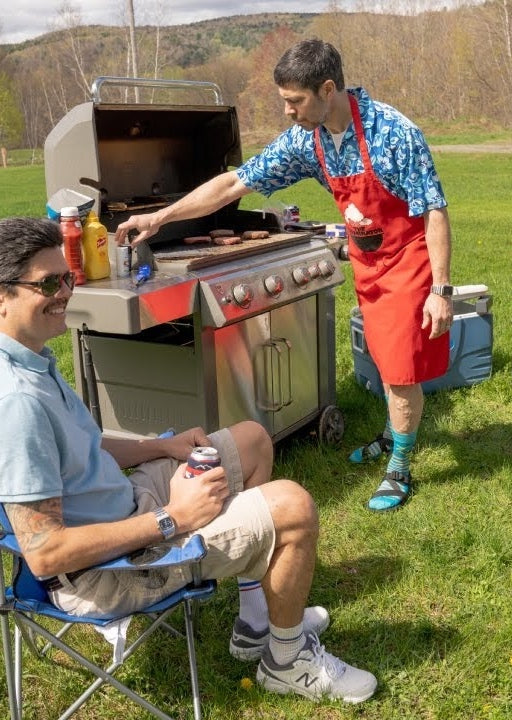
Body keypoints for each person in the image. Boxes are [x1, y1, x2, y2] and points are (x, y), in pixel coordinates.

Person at [0, 217, 377, 703]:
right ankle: (288, 661)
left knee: (253, 440)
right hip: (108, 572)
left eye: (67, 277)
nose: (65, 292)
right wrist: (171, 519)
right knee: (294, 507)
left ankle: (256, 622)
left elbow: (84, 449)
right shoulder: (17, 402)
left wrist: (163, 448)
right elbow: (47, 553)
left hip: (128, 510)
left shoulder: (31, 360)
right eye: (48, 283)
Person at [115, 38, 454, 513]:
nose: (288, 112)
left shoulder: (393, 133)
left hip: (408, 259)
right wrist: (161, 217)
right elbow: (235, 182)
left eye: (294, 101)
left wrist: (440, 288)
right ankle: (391, 432)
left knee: (399, 371)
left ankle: (399, 466)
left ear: (327, 89)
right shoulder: (306, 139)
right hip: (367, 260)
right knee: (384, 358)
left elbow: (434, 209)